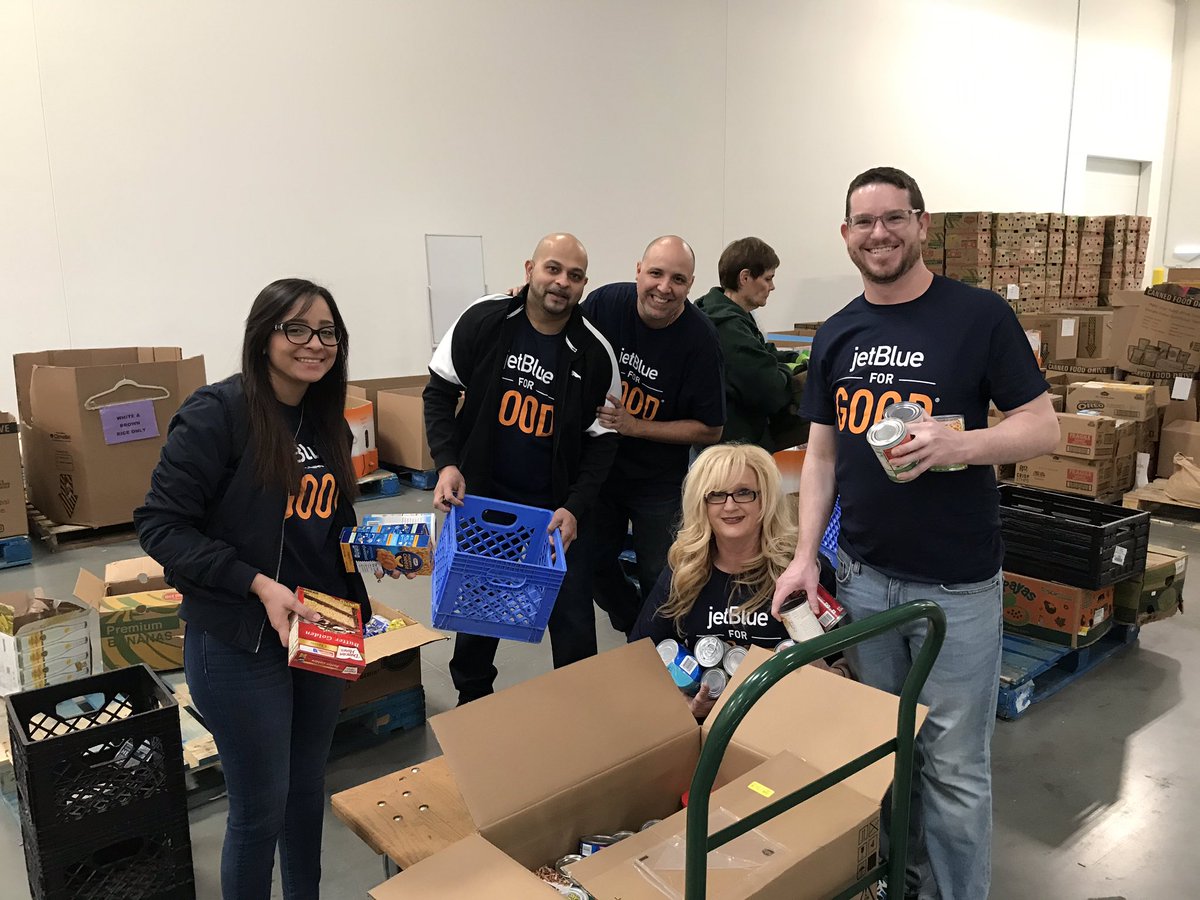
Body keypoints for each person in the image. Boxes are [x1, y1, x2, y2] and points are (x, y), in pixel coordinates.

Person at [771, 167, 1059, 900]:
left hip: (956, 586)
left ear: (922, 225)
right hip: (865, 578)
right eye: (864, 223)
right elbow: (824, 455)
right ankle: (902, 883)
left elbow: (1042, 427)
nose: (879, 234)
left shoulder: (978, 316)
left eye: (894, 218)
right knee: (886, 751)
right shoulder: (837, 332)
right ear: (845, 235)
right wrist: (807, 557)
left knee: (955, 767)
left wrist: (958, 446)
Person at [135, 278, 370, 900]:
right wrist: (258, 584)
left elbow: (324, 528)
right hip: (240, 638)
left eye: (327, 333)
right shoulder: (218, 414)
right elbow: (159, 525)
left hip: (320, 629)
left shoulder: (327, 422)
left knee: (303, 795)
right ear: (263, 335)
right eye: (296, 329)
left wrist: (370, 557)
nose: (314, 345)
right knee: (259, 809)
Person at [423, 233, 621, 705]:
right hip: (486, 504)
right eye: (553, 269)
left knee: (573, 621)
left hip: (555, 517)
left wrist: (574, 508)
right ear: (529, 268)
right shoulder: (485, 319)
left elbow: (602, 442)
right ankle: (473, 703)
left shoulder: (595, 352)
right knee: (477, 615)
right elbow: (439, 393)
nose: (561, 283)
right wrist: (448, 463)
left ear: (584, 284)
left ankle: (577, 713)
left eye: (574, 276)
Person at [630, 443, 845, 721]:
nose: (730, 505)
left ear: (764, 499)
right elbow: (639, 656)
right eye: (716, 495)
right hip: (711, 728)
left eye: (744, 492)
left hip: (796, 721)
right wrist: (683, 704)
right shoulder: (684, 572)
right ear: (701, 504)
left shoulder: (802, 571)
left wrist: (832, 675)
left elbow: (852, 661)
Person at [581, 235, 727, 635]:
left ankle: (659, 650)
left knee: (659, 575)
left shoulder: (700, 340)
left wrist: (635, 426)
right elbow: (555, 328)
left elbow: (710, 429)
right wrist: (520, 301)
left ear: (691, 284)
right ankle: (635, 626)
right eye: (656, 273)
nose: (664, 288)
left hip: (656, 483)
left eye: (677, 279)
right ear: (638, 271)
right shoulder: (605, 304)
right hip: (598, 470)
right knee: (590, 562)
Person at [696, 237, 807, 450]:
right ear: (745, 278)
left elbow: (764, 353)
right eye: (768, 279)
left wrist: (795, 359)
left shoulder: (734, 317)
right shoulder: (726, 327)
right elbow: (770, 389)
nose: (772, 287)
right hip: (732, 453)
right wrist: (791, 372)